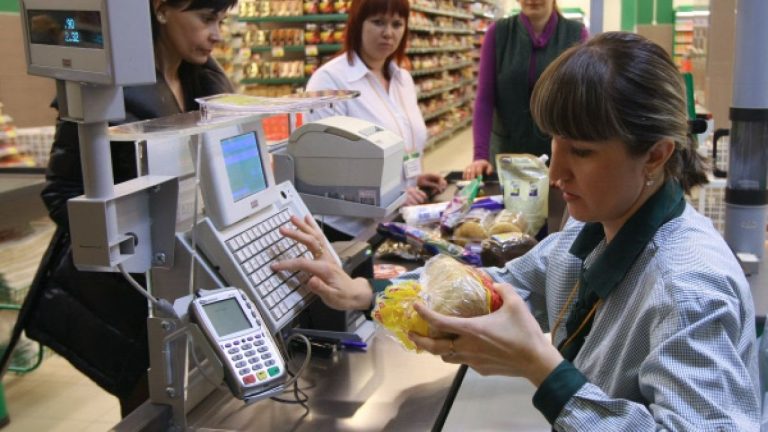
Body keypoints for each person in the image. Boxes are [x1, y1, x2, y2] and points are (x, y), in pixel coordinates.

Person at [273, 32, 761, 430]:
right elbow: (500, 288)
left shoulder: (686, 289)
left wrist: (542, 369)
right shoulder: (595, 228)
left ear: (655, 154)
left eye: (583, 152)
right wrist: (365, 292)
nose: (556, 173)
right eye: (555, 142)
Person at [23, 0, 236, 417]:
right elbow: (62, 189)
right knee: (150, 410)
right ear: (161, 10)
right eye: (206, 19)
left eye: (221, 21)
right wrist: (132, 247)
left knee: (202, 407)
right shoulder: (106, 86)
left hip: (193, 279)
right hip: (130, 297)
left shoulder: (208, 80)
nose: (217, 34)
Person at [303, 0, 447, 240]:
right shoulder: (330, 82)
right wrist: (391, 194)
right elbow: (323, 170)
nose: (388, 33)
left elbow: (397, 147)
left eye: (397, 24)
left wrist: (411, 178)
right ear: (357, 23)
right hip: (349, 232)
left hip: (395, 221)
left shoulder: (403, 79)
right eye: (378, 22)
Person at [463, 0, 587, 180]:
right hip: (506, 154)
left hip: (556, 158)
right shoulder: (498, 33)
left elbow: (579, 104)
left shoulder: (576, 34)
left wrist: (578, 156)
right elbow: (485, 99)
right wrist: (480, 156)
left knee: (553, 207)